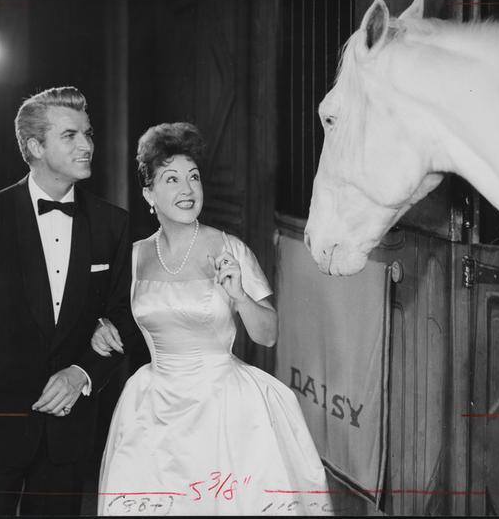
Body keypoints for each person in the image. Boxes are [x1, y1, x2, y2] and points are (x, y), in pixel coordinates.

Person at [94, 122, 332, 516]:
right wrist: (101, 328)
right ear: (149, 194)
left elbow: (268, 335)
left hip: (224, 407)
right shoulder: (133, 256)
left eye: (193, 177)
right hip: (152, 409)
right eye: (171, 179)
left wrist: (239, 296)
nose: (187, 189)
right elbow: (114, 317)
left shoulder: (231, 248)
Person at [0, 86, 137, 516]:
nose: (87, 145)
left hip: (69, 434)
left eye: (88, 133)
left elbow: (125, 316)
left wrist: (82, 372)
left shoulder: (113, 224)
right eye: (70, 135)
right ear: (35, 147)